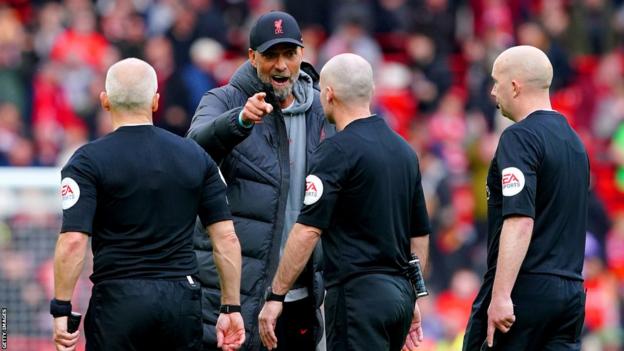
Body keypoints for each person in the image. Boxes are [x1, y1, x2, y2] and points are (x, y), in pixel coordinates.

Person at [51, 58, 245, 351]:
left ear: (105, 101)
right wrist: (231, 308)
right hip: (180, 300)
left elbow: (74, 241)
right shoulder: (195, 156)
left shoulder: (86, 162)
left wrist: (61, 308)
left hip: (118, 301)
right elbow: (226, 238)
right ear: (156, 101)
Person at [257, 53, 431, 351]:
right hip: (399, 296)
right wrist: (412, 293)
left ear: (328, 93)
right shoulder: (404, 151)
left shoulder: (335, 152)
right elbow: (420, 235)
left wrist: (276, 296)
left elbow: (307, 231)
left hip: (358, 298)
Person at [186, 11, 332, 351]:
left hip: (300, 296)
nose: (280, 65)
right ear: (252, 57)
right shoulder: (223, 100)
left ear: (302, 54)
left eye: (289, 54)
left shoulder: (323, 110)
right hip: (236, 300)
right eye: (270, 55)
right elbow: (192, 152)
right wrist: (238, 121)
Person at [462, 45, 589, 350]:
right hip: (571, 294)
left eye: (497, 82)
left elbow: (520, 220)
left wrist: (502, 295)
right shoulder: (575, 143)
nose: (493, 91)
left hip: (525, 290)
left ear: (515, 86)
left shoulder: (519, 137)